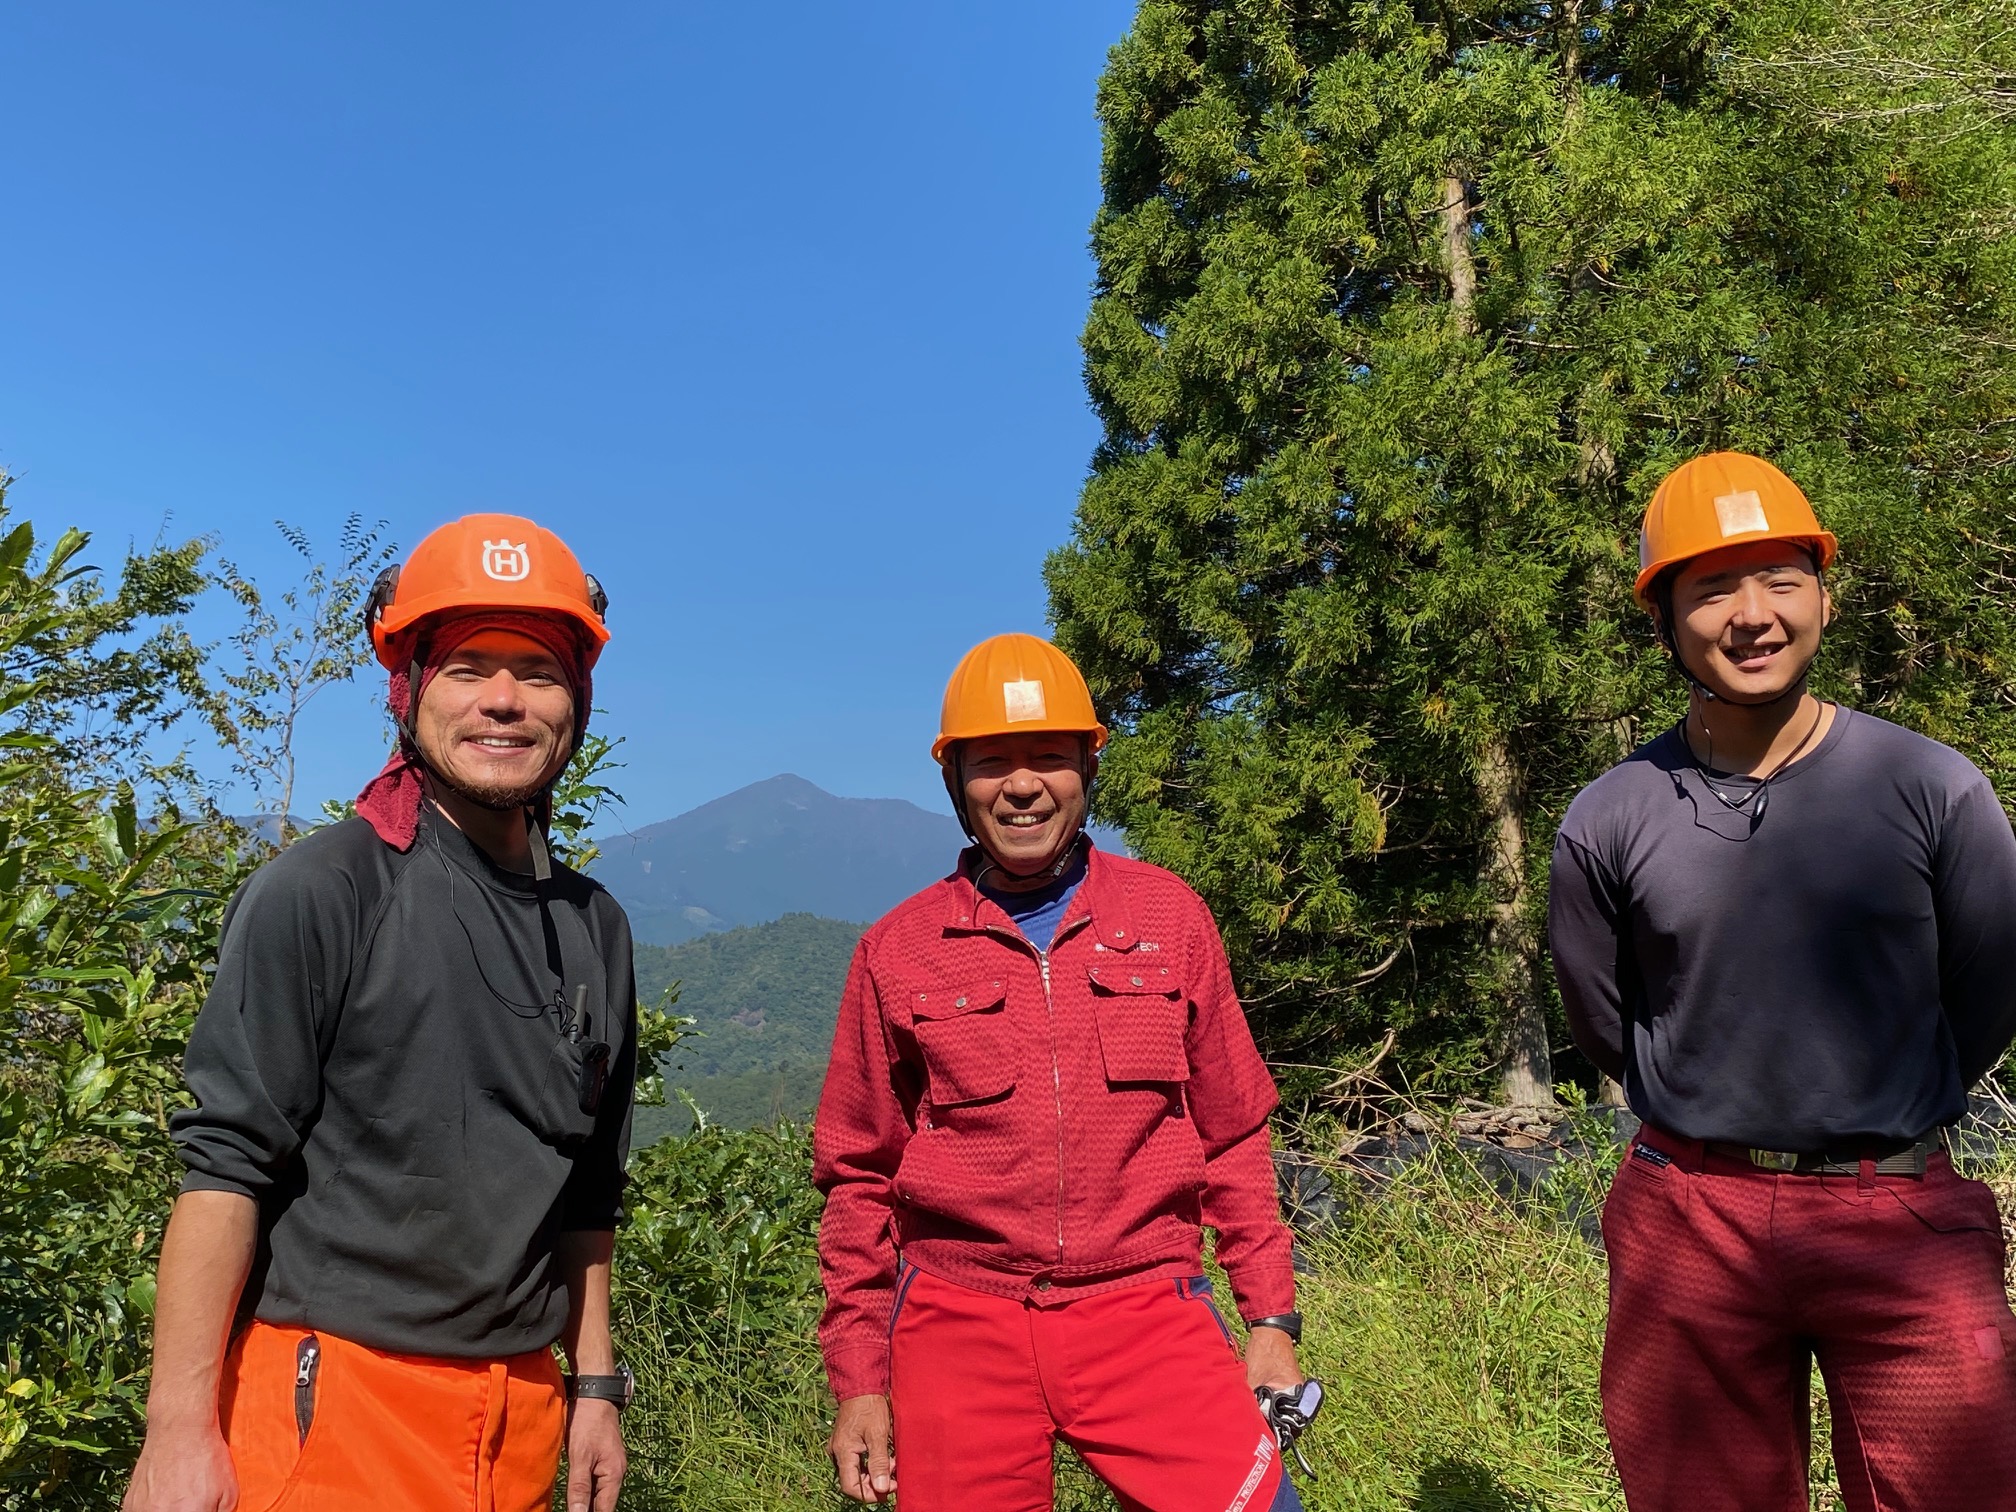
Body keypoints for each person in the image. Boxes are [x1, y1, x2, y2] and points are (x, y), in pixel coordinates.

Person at [124, 516, 638, 1512]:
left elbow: (587, 1196)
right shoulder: (326, 893)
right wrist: (177, 1434)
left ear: (576, 700)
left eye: (537, 669)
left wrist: (594, 1391)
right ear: (407, 691)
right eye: (468, 667)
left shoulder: (594, 929)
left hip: (523, 1413)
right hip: (336, 1399)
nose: (502, 699)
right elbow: (225, 1170)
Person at [1548, 452, 2016, 1511]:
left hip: (1900, 1219)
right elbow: (1604, 1023)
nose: (1752, 616)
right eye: (1713, 589)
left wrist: (1871, 1109)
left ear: (1824, 596)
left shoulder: (1933, 787)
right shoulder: (1609, 817)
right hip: (1689, 1217)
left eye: (1780, 580)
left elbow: (1987, 995)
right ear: (1664, 619)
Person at [814, 632, 1309, 1512]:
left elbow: (1233, 1133)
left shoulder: (1170, 917)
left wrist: (1270, 1323)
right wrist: (860, 1377)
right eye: (991, 762)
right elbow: (859, 1177)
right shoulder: (899, 950)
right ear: (955, 782)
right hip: (958, 1320)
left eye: (1048, 757)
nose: (1021, 785)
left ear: (1087, 767)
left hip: (1147, 1305)